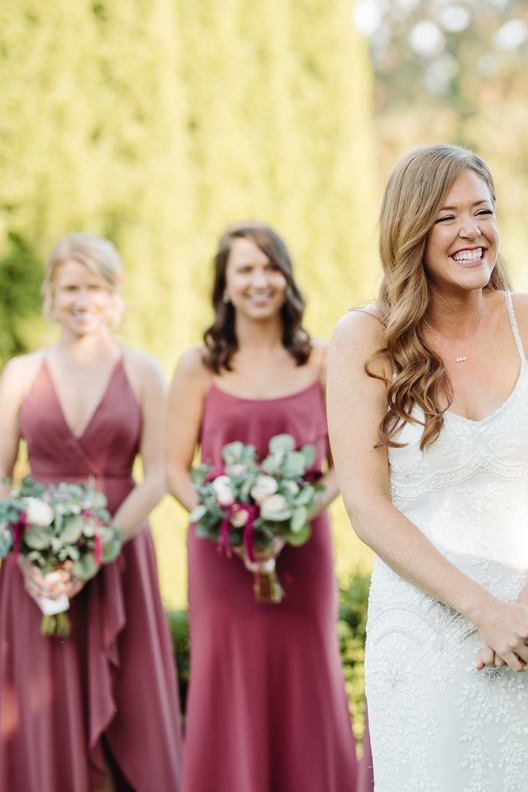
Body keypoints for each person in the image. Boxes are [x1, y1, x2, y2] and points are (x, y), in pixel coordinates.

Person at [326, 144, 528, 790]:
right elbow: (365, 505)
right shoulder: (364, 339)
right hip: (425, 640)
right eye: (448, 217)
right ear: (411, 230)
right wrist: (484, 612)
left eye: (483, 211)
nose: (472, 231)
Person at [165, 221, 355, 791]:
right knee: (226, 682)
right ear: (223, 284)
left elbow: (346, 463)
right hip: (222, 557)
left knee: (308, 676)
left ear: (287, 278)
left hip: (303, 551)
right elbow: (174, 469)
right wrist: (231, 523)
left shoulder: (323, 361)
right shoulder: (199, 367)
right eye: (244, 269)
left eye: (270, 267)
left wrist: (294, 519)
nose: (259, 281)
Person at [0, 234, 181, 790]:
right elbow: (2, 476)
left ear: (114, 295)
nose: (83, 299)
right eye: (71, 286)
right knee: (39, 706)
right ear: (52, 293)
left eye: (95, 287)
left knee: (128, 706)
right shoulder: (22, 374)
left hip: (120, 556)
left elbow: (157, 477)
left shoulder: (145, 372)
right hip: (35, 567)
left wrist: (97, 550)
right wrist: (32, 559)